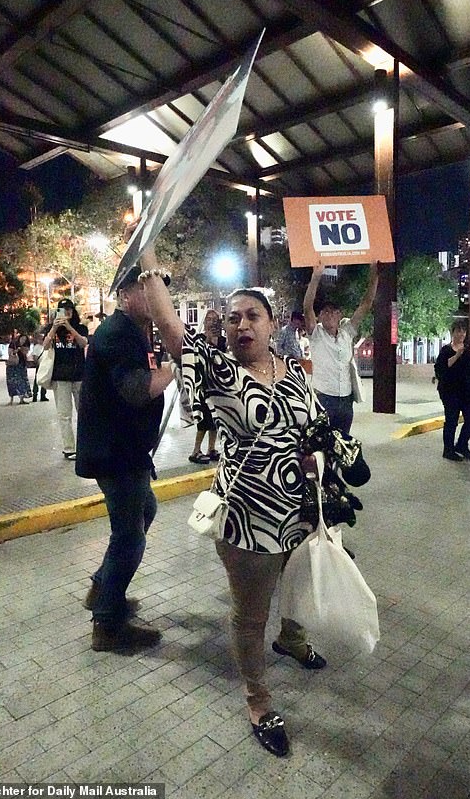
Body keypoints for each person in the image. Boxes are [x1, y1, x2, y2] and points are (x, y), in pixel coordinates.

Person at [137, 244, 331, 758]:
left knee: (298, 584)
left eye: (253, 316)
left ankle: (291, 639)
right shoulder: (220, 372)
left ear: (272, 324)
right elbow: (173, 331)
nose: (242, 325)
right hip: (247, 521)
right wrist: (150, 258)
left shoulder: (293, 372)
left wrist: (318, 456)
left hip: (300, 513)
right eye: (233, 319)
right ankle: (258, 700)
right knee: (250, 615)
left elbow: (313, 429)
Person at [76, 267, 174, 652]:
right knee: (130, 537)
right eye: (147, 288)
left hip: (122, 449)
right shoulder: (118, 333)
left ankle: (103, 587)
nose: (155, 296)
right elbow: (136, 390)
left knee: (145, 509)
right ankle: (107, 624)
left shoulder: (131, 331)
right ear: (125, 294)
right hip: (116, 454)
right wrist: (174, 371)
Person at [303, 262, 378, 435]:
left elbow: (366, 304)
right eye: (325, 312)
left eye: (333, 311)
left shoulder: (347, 333)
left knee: (343, 442)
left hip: (346, 398)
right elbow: (307, 307)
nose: (329, 315)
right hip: (323, 397)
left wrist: (374, 274)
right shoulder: (316, 334)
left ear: (340, 315)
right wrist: (316, 277)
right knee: (322, 441)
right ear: (320, 316)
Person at [434, 322, 470, 461]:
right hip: (450, 391)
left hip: (468, 391)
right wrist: (457, 355)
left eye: (463, 331)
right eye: (458, 331)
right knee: (451, 420)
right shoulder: (446, 350)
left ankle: (462, 444)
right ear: (452, 333)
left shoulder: (469, 349)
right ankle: (448, 450)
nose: (461, 334)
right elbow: (441, 368)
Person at [42, 299, 88, 460]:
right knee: (64, 415)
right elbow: (45, 346)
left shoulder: (81, 327)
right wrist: (55, 327)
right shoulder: (52, 329)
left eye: (69, 309)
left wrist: (69, 328)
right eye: (63, 310)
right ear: (58, 311)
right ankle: (69, 449)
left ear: (73, 311)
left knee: (83, 413)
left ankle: (85, 446)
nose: (67, 313)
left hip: (79, 376)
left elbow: (83, 343)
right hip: (60, 378)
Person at [189, 309, 226, 464]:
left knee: (215, 420)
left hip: (218, 385)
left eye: (215, 319)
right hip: (204, 385)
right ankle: (196, 450)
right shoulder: (199, 339)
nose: (212, 322)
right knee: (204, 420)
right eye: (209, 319)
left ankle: (211, 448)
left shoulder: (223, 341)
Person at [5, 334, 32, 405]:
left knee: (22, 381)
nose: (22, 341)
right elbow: (10, 353)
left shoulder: (26, 345)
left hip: (21, 364)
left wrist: (23, 350)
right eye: (22, 339)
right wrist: (16, 350)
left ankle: (21, 398)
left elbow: (26, 353)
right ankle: (11, 399)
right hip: (13, 365)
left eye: (24, 340)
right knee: (11, 382)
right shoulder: (13, 344)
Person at [30, 333, 48, 402]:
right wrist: (37, 363)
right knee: (37, 380)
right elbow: (35, 357)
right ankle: (35, 395)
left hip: (45, 364)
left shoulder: (46, 346)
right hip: (39, 365)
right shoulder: (37, 346)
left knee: (44, 379)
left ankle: (43, 395)